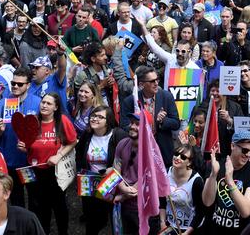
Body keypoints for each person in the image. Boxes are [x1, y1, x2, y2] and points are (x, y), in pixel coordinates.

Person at [19, 93, 77, 235]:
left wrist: (59, 155)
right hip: (35, 170)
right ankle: (43, 231)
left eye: (49, 103)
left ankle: (63, 232)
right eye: (43, 102)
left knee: (59, 205)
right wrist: (23, 147)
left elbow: (73, 141)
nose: (44, 105)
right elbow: (27, 145)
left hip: (55, 170)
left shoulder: (62, 121)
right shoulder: (33, 121)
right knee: (40, 205)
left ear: (56, 107)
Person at [0, 67, 42, 208]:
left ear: (28, 85)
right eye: (13, 83)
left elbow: (45, 130)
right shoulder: (1, 105)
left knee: (35, 199)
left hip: (30, 162)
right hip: (9, 163)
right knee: (16, 201)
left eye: (20, 84)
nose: (15, 86)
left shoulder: (38, 103)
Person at [75, 105, 127, 235]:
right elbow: (79, 152)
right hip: (91, 184)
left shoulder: (117, 135)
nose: (94, 119)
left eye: (100, 117)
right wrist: (81, 171)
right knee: (92, 222)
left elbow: (127, 157)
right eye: (93, 116)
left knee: (114, 221)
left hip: (111, 185)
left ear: (108, 120)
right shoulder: (87, 135)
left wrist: (114, 169)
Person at [201, 131, 250, 233]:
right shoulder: (216, 166)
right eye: (244, 150)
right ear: (232, 146)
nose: (248, 155)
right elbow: (207, 202)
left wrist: (230, 181)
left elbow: (246, 211)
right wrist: (213, 174)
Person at [120, 66, 180, 167]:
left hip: (162, 151)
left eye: (157, 79)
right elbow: (124, 125)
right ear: (141, 84)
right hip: (138, 151)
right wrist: (137, 128)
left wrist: (163, 121)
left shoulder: (166, 97)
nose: (156, 83)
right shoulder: (130, 101)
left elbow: (176, 123)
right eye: (152, 81)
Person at [161, 145, 205, 234]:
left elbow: (200, 211)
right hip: (169, 227)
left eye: (183, 157)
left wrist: (187, 232)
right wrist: (162, 222)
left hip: (190, 229)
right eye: (176, 154)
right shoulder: (165, 173)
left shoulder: (197, 181)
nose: (177, 158)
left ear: (189, 163)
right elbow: (162, 201)